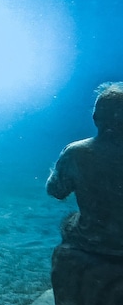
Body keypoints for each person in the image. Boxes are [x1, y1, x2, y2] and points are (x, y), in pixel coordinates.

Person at [47, 81, 123, 254]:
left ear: (96, 117)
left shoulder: (77, 152)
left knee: (69, 222)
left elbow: (56, 191)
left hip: (92, 241)